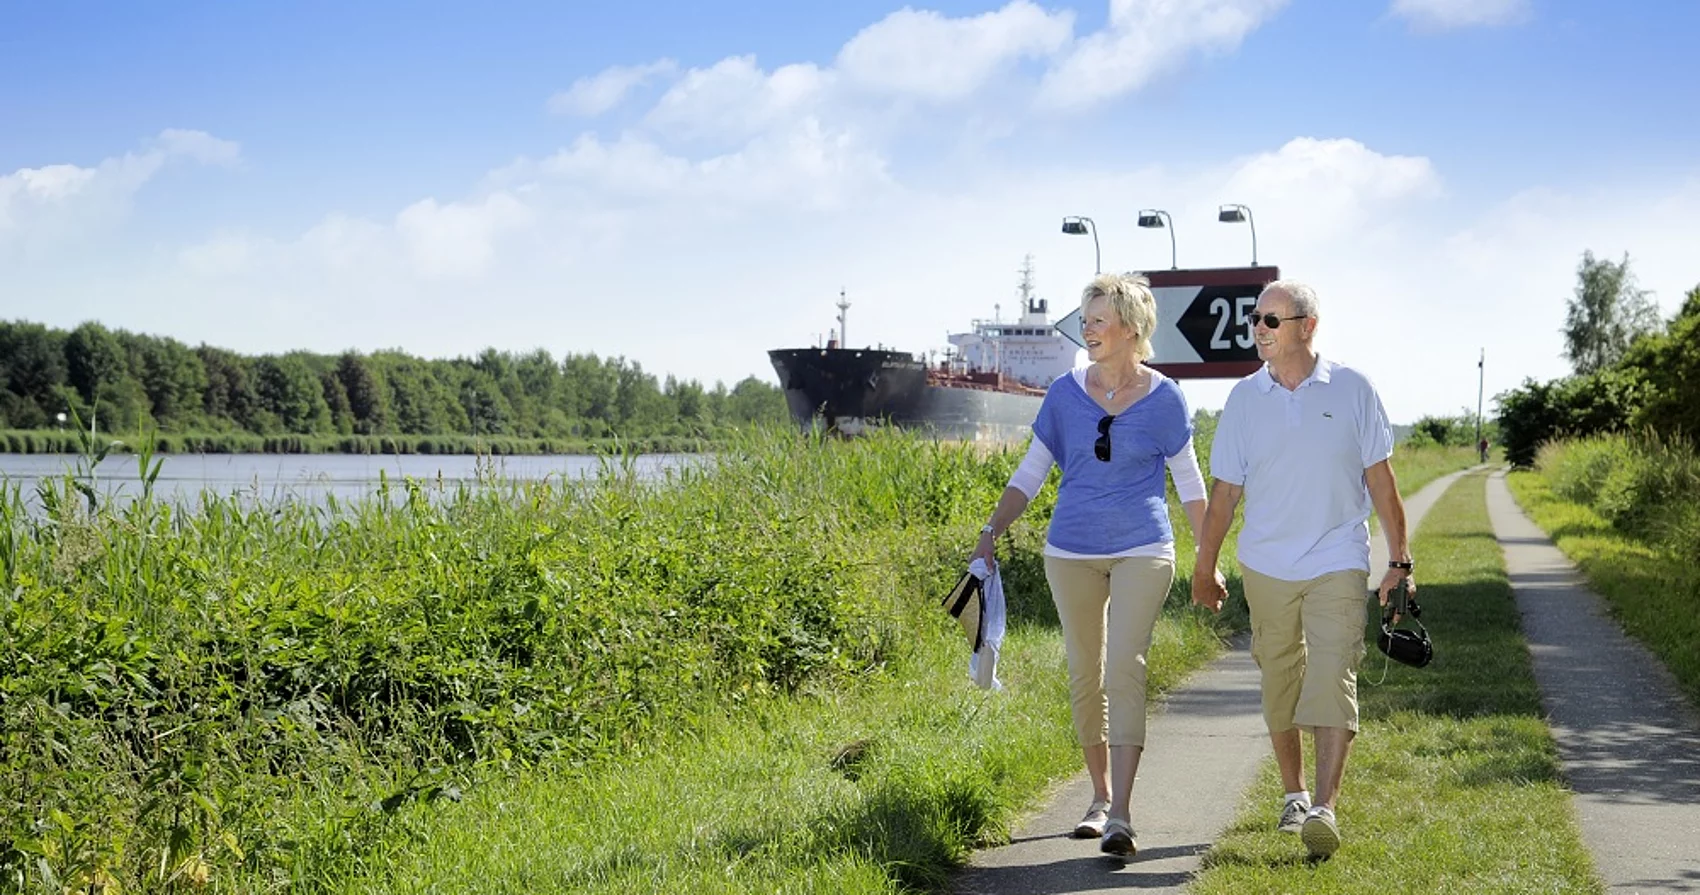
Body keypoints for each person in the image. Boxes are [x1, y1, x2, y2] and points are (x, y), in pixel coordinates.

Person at [971, 272, 1222, 858]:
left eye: (1098, 320)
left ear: (1132, 329)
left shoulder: (1165, 397)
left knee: (1124, 668)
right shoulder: (1063, 393)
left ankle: (1124, 816)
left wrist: (1206, 560)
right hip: (1071, 550)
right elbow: (1030, 475)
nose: (1087, 330)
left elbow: (1189, 484)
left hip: (1143, 546)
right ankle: (1099, 798)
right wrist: (990, 532)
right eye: (1084, 320)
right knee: (1086, 673)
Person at [1190, 279, 1414, 859]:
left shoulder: (1353, 388)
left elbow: (1381, 483)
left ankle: (1324, 809)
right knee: (1280, 679)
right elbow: (1223, 495)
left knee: (1334, 671)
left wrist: (1398, 561)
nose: (1257, 329)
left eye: (1270, 320)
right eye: (1256, 320)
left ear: (1307, 326)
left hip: (1338, 556)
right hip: (1266, 563)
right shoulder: (1244, 400)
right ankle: (1293, 795)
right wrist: (1204, 565)